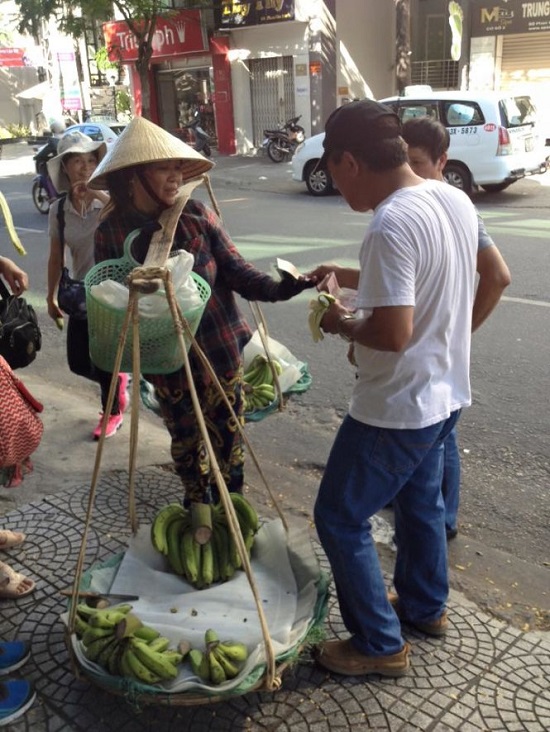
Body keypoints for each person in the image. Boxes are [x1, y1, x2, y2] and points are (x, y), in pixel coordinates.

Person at [308, 100, 478, 677]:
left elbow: (391, 331)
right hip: (446, 393)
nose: (337, 188)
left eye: (333, 174)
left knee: (338, 516)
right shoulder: (449, 196)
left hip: (397, 406)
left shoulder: (390, 222)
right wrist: (349, 278)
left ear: (349, 161)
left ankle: (379, 645)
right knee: (419, 502)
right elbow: (435, 283)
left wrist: (339, 321)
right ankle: (427, 607)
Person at [88, 116, 315, 506]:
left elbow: (239, 273)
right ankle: (200, 521)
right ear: (133, 177)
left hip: (220, 354)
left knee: (229, 452)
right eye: (164, 167)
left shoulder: (195, 215)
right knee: (189, 455)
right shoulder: (111, 232)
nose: (176, 176)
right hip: (168, 365)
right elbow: (105, 297)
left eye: (179, 166)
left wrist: (282, 288)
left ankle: (233, 521)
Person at [402, 116, 511, 539]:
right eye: (401, 161)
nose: (407, 173)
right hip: (438, 354)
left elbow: (498, 275)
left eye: (416, 163)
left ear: (442, 160)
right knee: (442, 434)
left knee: (437, 438)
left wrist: (461, 332)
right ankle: (438, 518)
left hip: (430, 357)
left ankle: (438, 522)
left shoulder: (449, 203)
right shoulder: (429, 201)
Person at [46, 130, 130, 439]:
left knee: (105, 359)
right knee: (78, 362)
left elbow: (126, 216)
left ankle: (113, 411)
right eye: (77, 161)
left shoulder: (109, 201)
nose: (84, 167)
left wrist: (94, 193)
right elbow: (56, 258)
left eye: (90, 160)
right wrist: (50, 296)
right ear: (65, 168)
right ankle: (118, 382)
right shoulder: (58, 211)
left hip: (113, 291)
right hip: (81, 293)